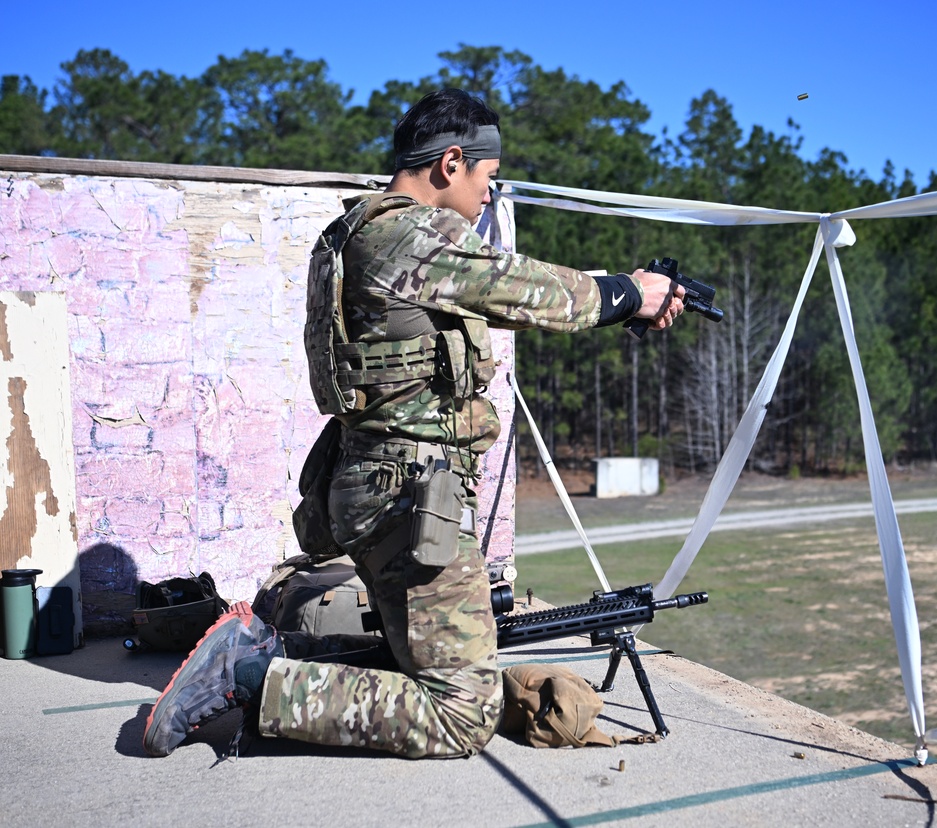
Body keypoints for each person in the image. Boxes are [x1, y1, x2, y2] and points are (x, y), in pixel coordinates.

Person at [143, 88, 685, 759]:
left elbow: (497, 294)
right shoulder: (410, 235)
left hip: (371, 485)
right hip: (408, 499)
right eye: (488, 178)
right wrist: (629, 294)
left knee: (420, 663)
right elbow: (526, 290)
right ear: (451, 162)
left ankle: (270, 652)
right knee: (463, 712)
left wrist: (620, 298)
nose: (490, 194)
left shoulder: (357, 235)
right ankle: (250, 675)